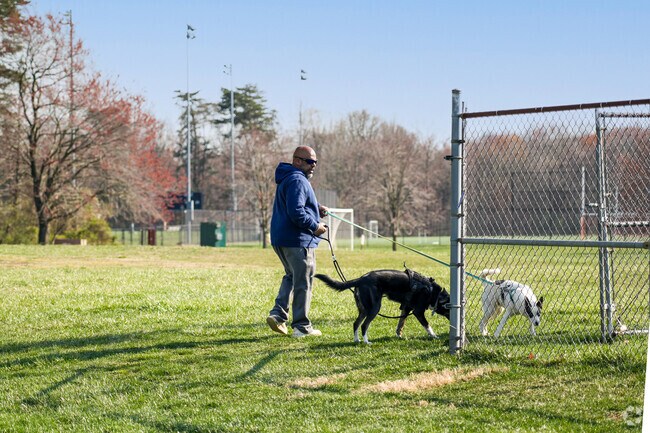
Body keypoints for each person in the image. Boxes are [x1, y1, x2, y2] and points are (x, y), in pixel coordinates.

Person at [266, 145, 328, 338]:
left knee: (292, 277)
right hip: (297, 240)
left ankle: (278, 314)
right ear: (297, 161)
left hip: (281, 238)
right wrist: (315, 226)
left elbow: (296, 203)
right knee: (304, 281)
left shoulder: (288, 177)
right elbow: (296, 212)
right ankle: (302, 327)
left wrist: (316, 208)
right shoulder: (297, 179)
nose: (313, 166)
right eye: (310, 162)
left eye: (315, 162)